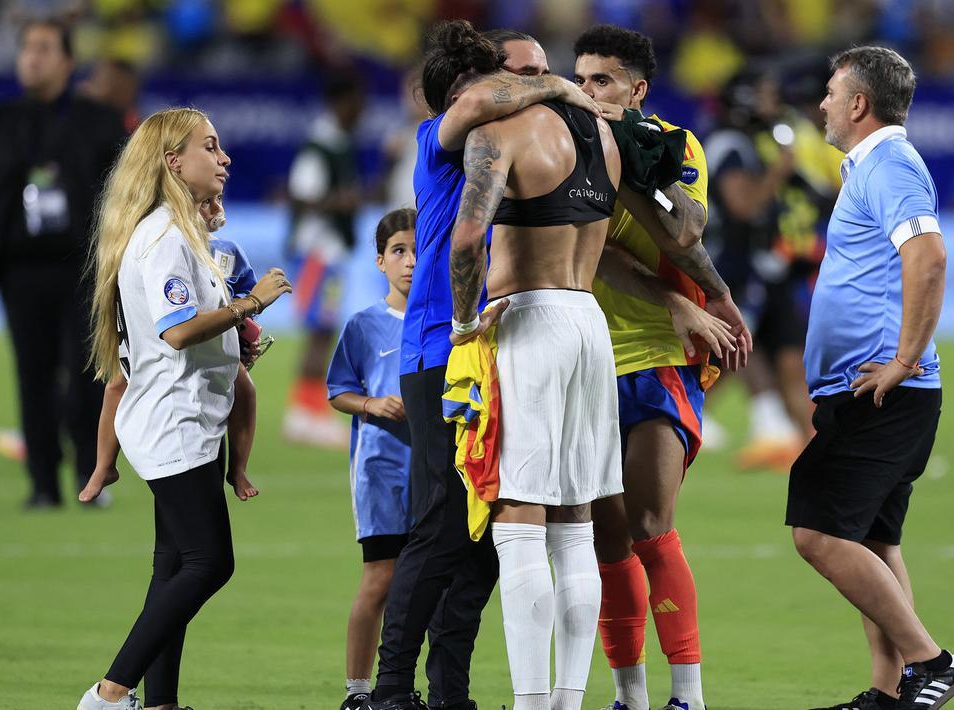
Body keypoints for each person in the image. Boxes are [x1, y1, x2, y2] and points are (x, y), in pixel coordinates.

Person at [370, 21, 603, 710]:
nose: (522, 93)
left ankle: (449, 693)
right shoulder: (442, 133)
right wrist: (559, 84)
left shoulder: (509, 149)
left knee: (484, 537)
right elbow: (475, 105)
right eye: (513, 79)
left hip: (493, 354)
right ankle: (387, 690)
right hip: (440, 352)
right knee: (442, 524)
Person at [76, 108, 293, 710]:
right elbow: (176, 332)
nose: (224, 158)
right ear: (174, 162)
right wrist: (251, 303)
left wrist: (238, 339)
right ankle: (108, 694)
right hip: (174, 421)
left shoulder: (178, 232)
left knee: (172, 569)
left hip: (185, 416)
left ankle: (161, 703)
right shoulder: (167, 237)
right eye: (211, 147)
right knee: (208, 563)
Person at [572, 25, 751, 710]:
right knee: (604, 536)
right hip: (583, 355)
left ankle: (688, 697)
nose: (588, 93)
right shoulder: (565, 147)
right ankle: (630, 696)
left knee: (649, 522)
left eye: (603, 81)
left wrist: (694, 304)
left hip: (655, 356)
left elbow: (683, 231)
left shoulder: (675, 146)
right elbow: (590, 254)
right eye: (581, 80)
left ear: (636, 89)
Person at [792, 47, 954, 710]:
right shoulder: (872, 166)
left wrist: (901, 360)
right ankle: (889, 692)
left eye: (831, 94)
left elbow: (927, 260)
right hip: (879, 391)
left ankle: (931, 661)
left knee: (817, 532)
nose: (823, 106)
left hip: (882, 391)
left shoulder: (889, 163)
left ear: (858, 103)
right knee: (873, 539)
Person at [445, 49, 624, 710]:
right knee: (575, 521)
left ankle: (528, 702)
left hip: (528, 323)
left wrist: (464, 324)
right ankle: (566, 700)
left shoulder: (501, 134)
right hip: (587, 321)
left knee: (519, 515)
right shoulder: (600, 135)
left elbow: (468, 238)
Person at [0, 16, 128, 509]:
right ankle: (43, 486)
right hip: (19, 269)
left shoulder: (99, 121)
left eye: (45, 48)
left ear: (68, 61)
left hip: (84, 271)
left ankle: (91, 481)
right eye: (27, 48)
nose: (32, 57)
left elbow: (122, 196)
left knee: (86, 379)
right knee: (33, 379)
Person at [78, 192, 264, 507]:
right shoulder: (166, 246)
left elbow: (246, 291)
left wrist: (243, 326)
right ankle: (103, 466)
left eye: (218, 200)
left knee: (245, 388)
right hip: (157, 340)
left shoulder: (228, 253)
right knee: (117, 384)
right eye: (206, 202)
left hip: (207, 344)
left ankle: (239, 468)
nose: (215, 207)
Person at [705, 69, 842, 470]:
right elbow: (744, 207)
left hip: (761, 268)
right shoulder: (729, 144)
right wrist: (780, 172)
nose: (772, 102)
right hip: (732, 269)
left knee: (779, 355)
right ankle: (694, 417)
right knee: (736, 350)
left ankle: (802, 442)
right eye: (763, 94)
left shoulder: (744, 142)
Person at [326, 208, 418, 710]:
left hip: (433, 470)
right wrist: (371, 404)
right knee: (381, 578)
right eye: (399, 251)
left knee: (425, 585)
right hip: (381, 470)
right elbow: (338, 389)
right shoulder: (364, 326)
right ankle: (358, 692)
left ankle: (403, 686)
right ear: (380, 260)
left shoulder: (444, 323)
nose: (409, 262)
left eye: (418, 250)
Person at [283, 74, 366, 448]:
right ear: (340, 103)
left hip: (328, 253)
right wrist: (340, 202)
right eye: (355, 102)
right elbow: (300, 196)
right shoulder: (319, 147)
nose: (361, 110)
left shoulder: (337, 144)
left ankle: (307, 411)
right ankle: (303, 414)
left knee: (324, 331)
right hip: (317, 251)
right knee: (319, 332)